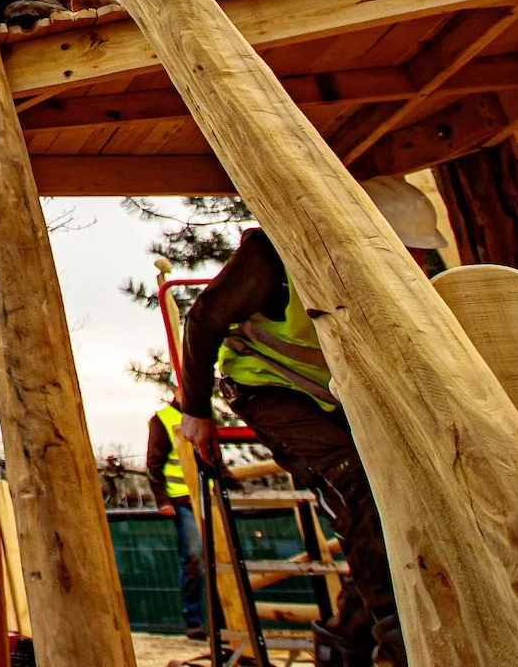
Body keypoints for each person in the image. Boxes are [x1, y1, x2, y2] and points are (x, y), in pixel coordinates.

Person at [173, 177, 451, 666]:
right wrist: (196, 411)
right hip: (266, 387)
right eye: (408, 252)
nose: (417, 266)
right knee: (356, 482)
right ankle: (400, 641)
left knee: (382, 508)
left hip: (330, 398)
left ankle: (343, 645)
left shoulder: (383, 282)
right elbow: (205, 318)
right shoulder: (273, 257)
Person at [145, 403, 207, 639]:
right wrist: (162, 499)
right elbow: (154, 462)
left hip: (207, 497)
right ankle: (193, 619)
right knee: (194, 555)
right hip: (182, 500)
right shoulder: (164, 419)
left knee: (221, 559)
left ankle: (224, 619)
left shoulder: (203, 412)